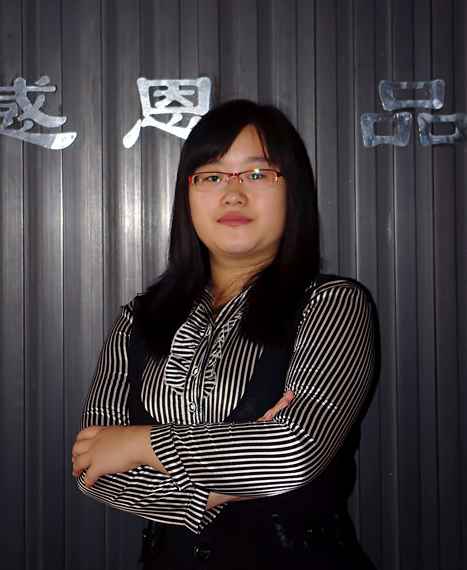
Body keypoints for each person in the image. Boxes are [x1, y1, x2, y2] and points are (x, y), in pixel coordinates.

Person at [72, 99, 377, 569]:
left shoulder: (333, 304)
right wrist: (239, 467)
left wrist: (140, 444)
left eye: (256, 174)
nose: (233, 194)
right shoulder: (139, 319)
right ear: (188, 196)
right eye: (211, 176)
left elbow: (294, 450)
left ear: (293, 191)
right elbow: (94, 467)